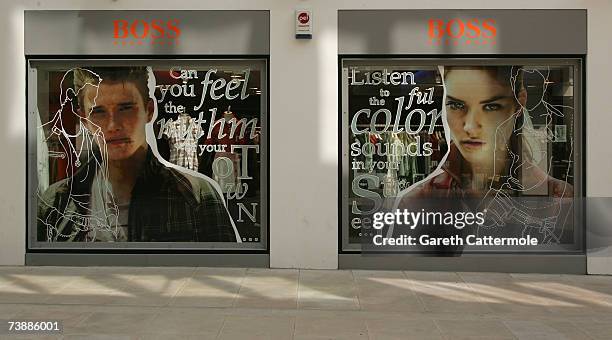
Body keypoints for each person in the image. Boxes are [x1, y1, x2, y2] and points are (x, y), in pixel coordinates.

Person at [38, 66, 239, 243]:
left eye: (126, 109)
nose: (113, 125)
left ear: (149, 110)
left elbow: (227, 272)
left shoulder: (197, 196)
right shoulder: (57, 202)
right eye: (98, 112)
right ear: (84, 119)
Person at [394, 65, 574, 249]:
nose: (470, 127)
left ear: (519, 104)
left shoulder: (558, 198)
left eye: (491, 106)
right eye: (456, 105)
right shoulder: (417, 201)